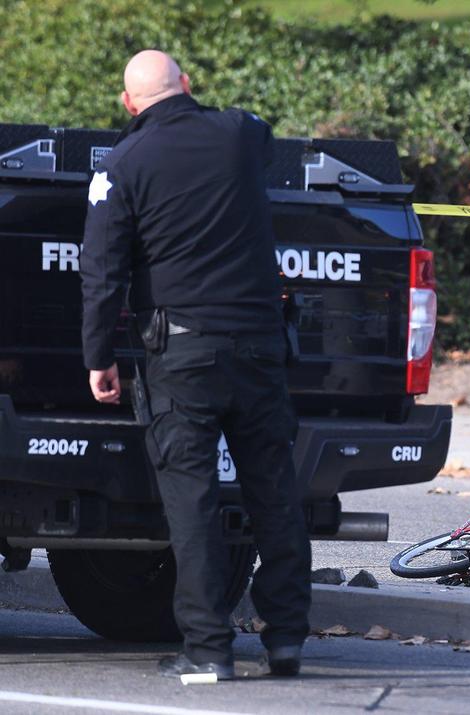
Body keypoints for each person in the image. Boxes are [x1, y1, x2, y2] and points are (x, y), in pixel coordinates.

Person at [80, 50, 311, 679]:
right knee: (274, 493)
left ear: (128, 104)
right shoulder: (239, 132)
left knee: (193, 501)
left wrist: (99, 356)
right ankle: (287, 638)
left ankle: (209, 651)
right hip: (262, 349)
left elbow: (102, 271)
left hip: (181, 357)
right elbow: (264, 136)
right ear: (187, 86)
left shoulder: (123, 164)